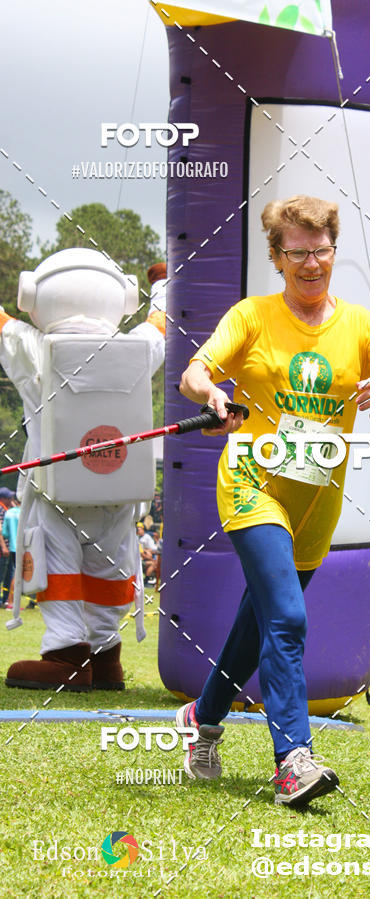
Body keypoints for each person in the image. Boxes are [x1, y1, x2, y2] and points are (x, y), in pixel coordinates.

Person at [177, 195, 370, 807]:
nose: (312, 262)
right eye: (298, 252)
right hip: (251, 483)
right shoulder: (253, 316)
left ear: (333, 251)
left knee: (256, 621)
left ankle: (202, 719)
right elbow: (195, 372)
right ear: (277, 257)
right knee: (286, 617)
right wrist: (210, 393)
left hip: (318, 498)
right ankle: (293, 760)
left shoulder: (361, 325)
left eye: (321, 250)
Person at [0, 250, 165, 691]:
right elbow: (160, 324)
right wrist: (162, 282)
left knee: (58, 567)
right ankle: (104, 656)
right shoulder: (136, 349)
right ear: (123, 296)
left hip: (56, 490)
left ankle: (67, 655)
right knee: (110, 566)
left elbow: (1, 326)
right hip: (118, 488)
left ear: (33, 294)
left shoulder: (32, 347)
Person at [1, 497, 20, 606]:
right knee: (19, 574)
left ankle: (10, 601)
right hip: (26, 547)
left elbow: (5, 533)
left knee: (14, 573)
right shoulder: (26, 512)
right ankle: (11, 602)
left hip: (13, 547)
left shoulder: (9, 513)